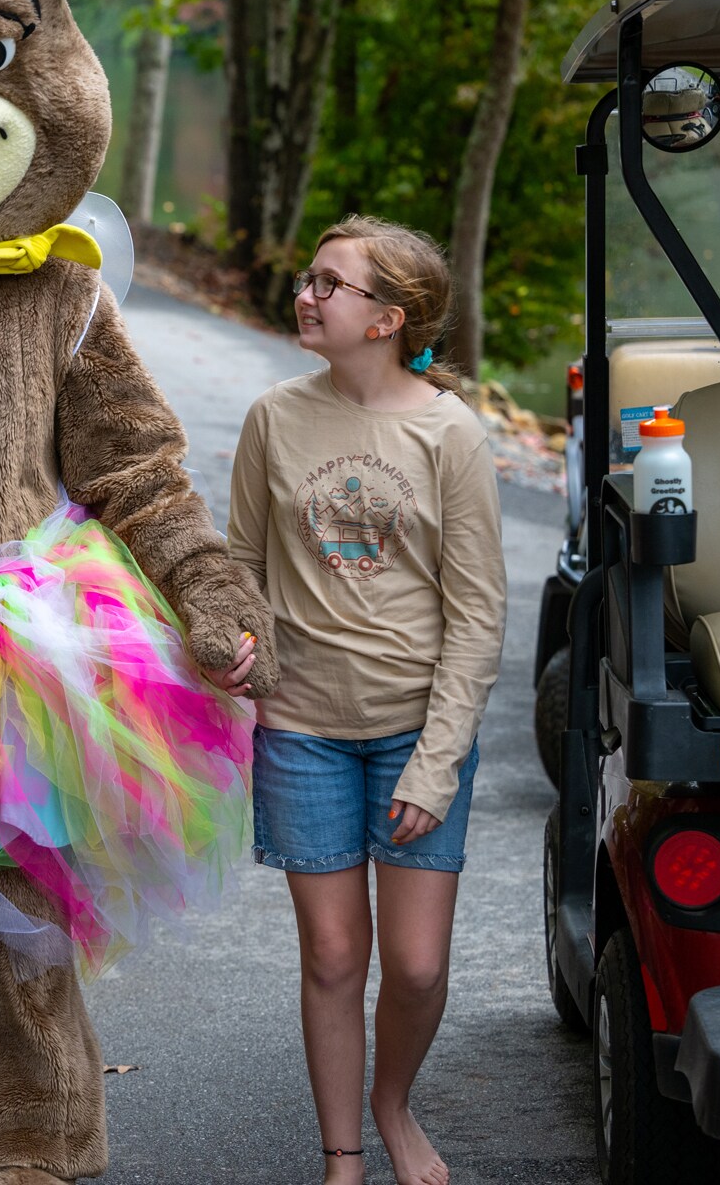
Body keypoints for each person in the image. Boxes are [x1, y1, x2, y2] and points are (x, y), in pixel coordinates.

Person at [227, 216, 506, 1185]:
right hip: (302, 730)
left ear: (388, 317)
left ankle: (394, 1102)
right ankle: (343, 1155)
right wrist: (237, 648)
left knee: (419, 964)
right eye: (308, 276)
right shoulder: (274, 418)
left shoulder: (450, 432)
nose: (306, 293)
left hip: (416, 733)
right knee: (336, 955)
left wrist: (438, 758)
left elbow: (478, 614)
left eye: (329, 284)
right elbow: (242, 570)